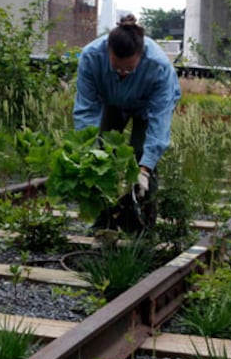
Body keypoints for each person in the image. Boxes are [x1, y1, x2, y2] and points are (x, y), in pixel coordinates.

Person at [73, 14, 181, 231]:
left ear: (141, 55)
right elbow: (86, 110)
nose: (123, 72)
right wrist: (89, 154)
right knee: (101, 154)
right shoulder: (91, 57)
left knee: (141, 152)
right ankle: (103, 223)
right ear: (108, 52)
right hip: (110, 102)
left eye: (129, 69)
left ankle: (144, 224)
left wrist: (144, 168)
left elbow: (160, 120)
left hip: (145, 108)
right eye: (117, 68)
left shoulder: (158, 66)